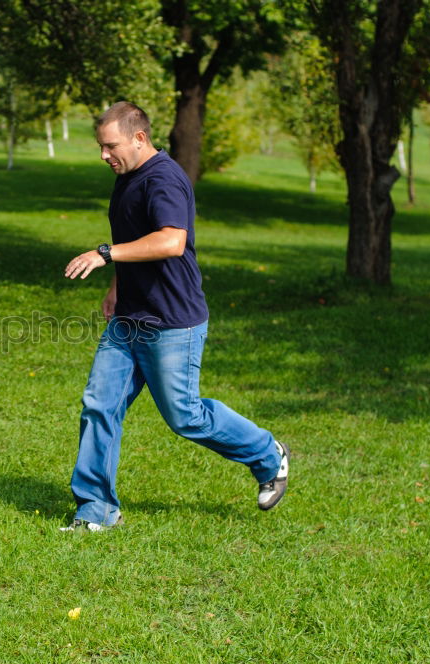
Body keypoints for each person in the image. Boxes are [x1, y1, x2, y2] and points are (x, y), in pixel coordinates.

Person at [60, 102, 289, 532]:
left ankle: (267, 453)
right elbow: (132, 236)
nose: (104, 155)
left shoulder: (164, 179)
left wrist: (104, 255)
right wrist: (116, 286)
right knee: (99, 406)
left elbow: (170, 241)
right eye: (101, 147)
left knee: (186, 416)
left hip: (172, 320)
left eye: (110, 146)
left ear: (139, 138)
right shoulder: (126, 177)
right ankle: (96, 510)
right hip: (130, 317)